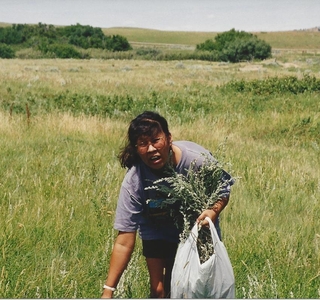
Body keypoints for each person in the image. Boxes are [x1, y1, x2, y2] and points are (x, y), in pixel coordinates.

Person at [101, 111, 234, 298]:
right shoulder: (135, 180)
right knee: (158, 291)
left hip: (194, 229)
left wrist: (213, 211)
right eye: (142, 144)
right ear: (136, 148)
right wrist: (108, 292)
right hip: (156, 230)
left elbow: (223, 187)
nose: (150, 149)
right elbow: (124, 240)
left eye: (156, 140)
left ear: (169, 138)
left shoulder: (196, 161)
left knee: (191, 287)